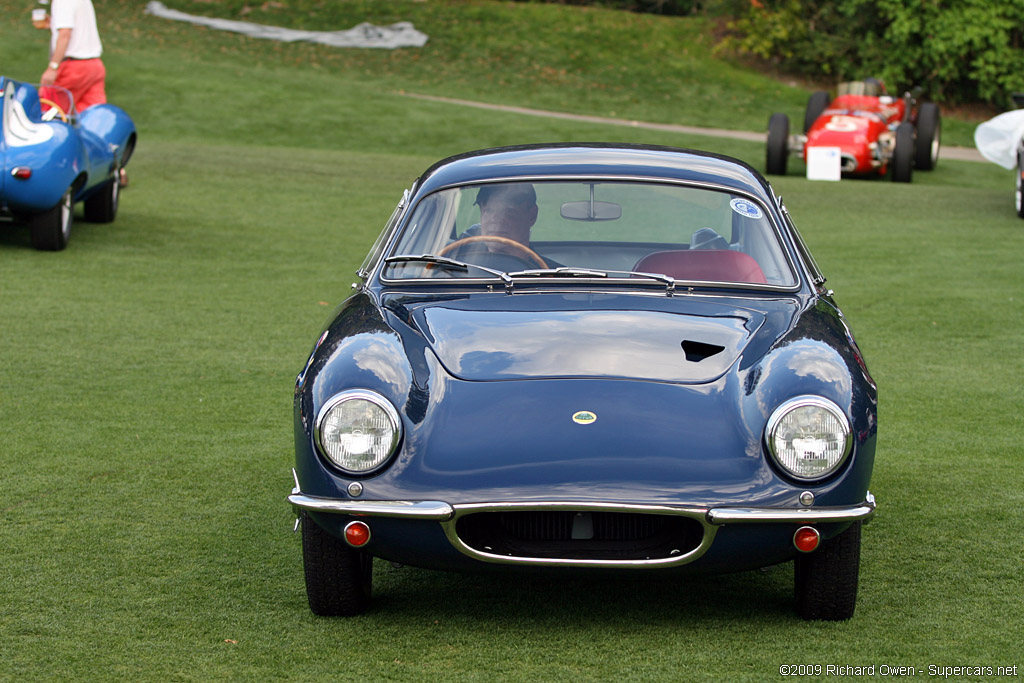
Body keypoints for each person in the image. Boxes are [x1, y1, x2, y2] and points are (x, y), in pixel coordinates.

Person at [35, 0, 107, 113]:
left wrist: (52, 68)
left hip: (73, 67)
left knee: (49, 113)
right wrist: (54, 25)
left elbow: (65, 35)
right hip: (94, 65)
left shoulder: (61, 2)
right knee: (92, 116)